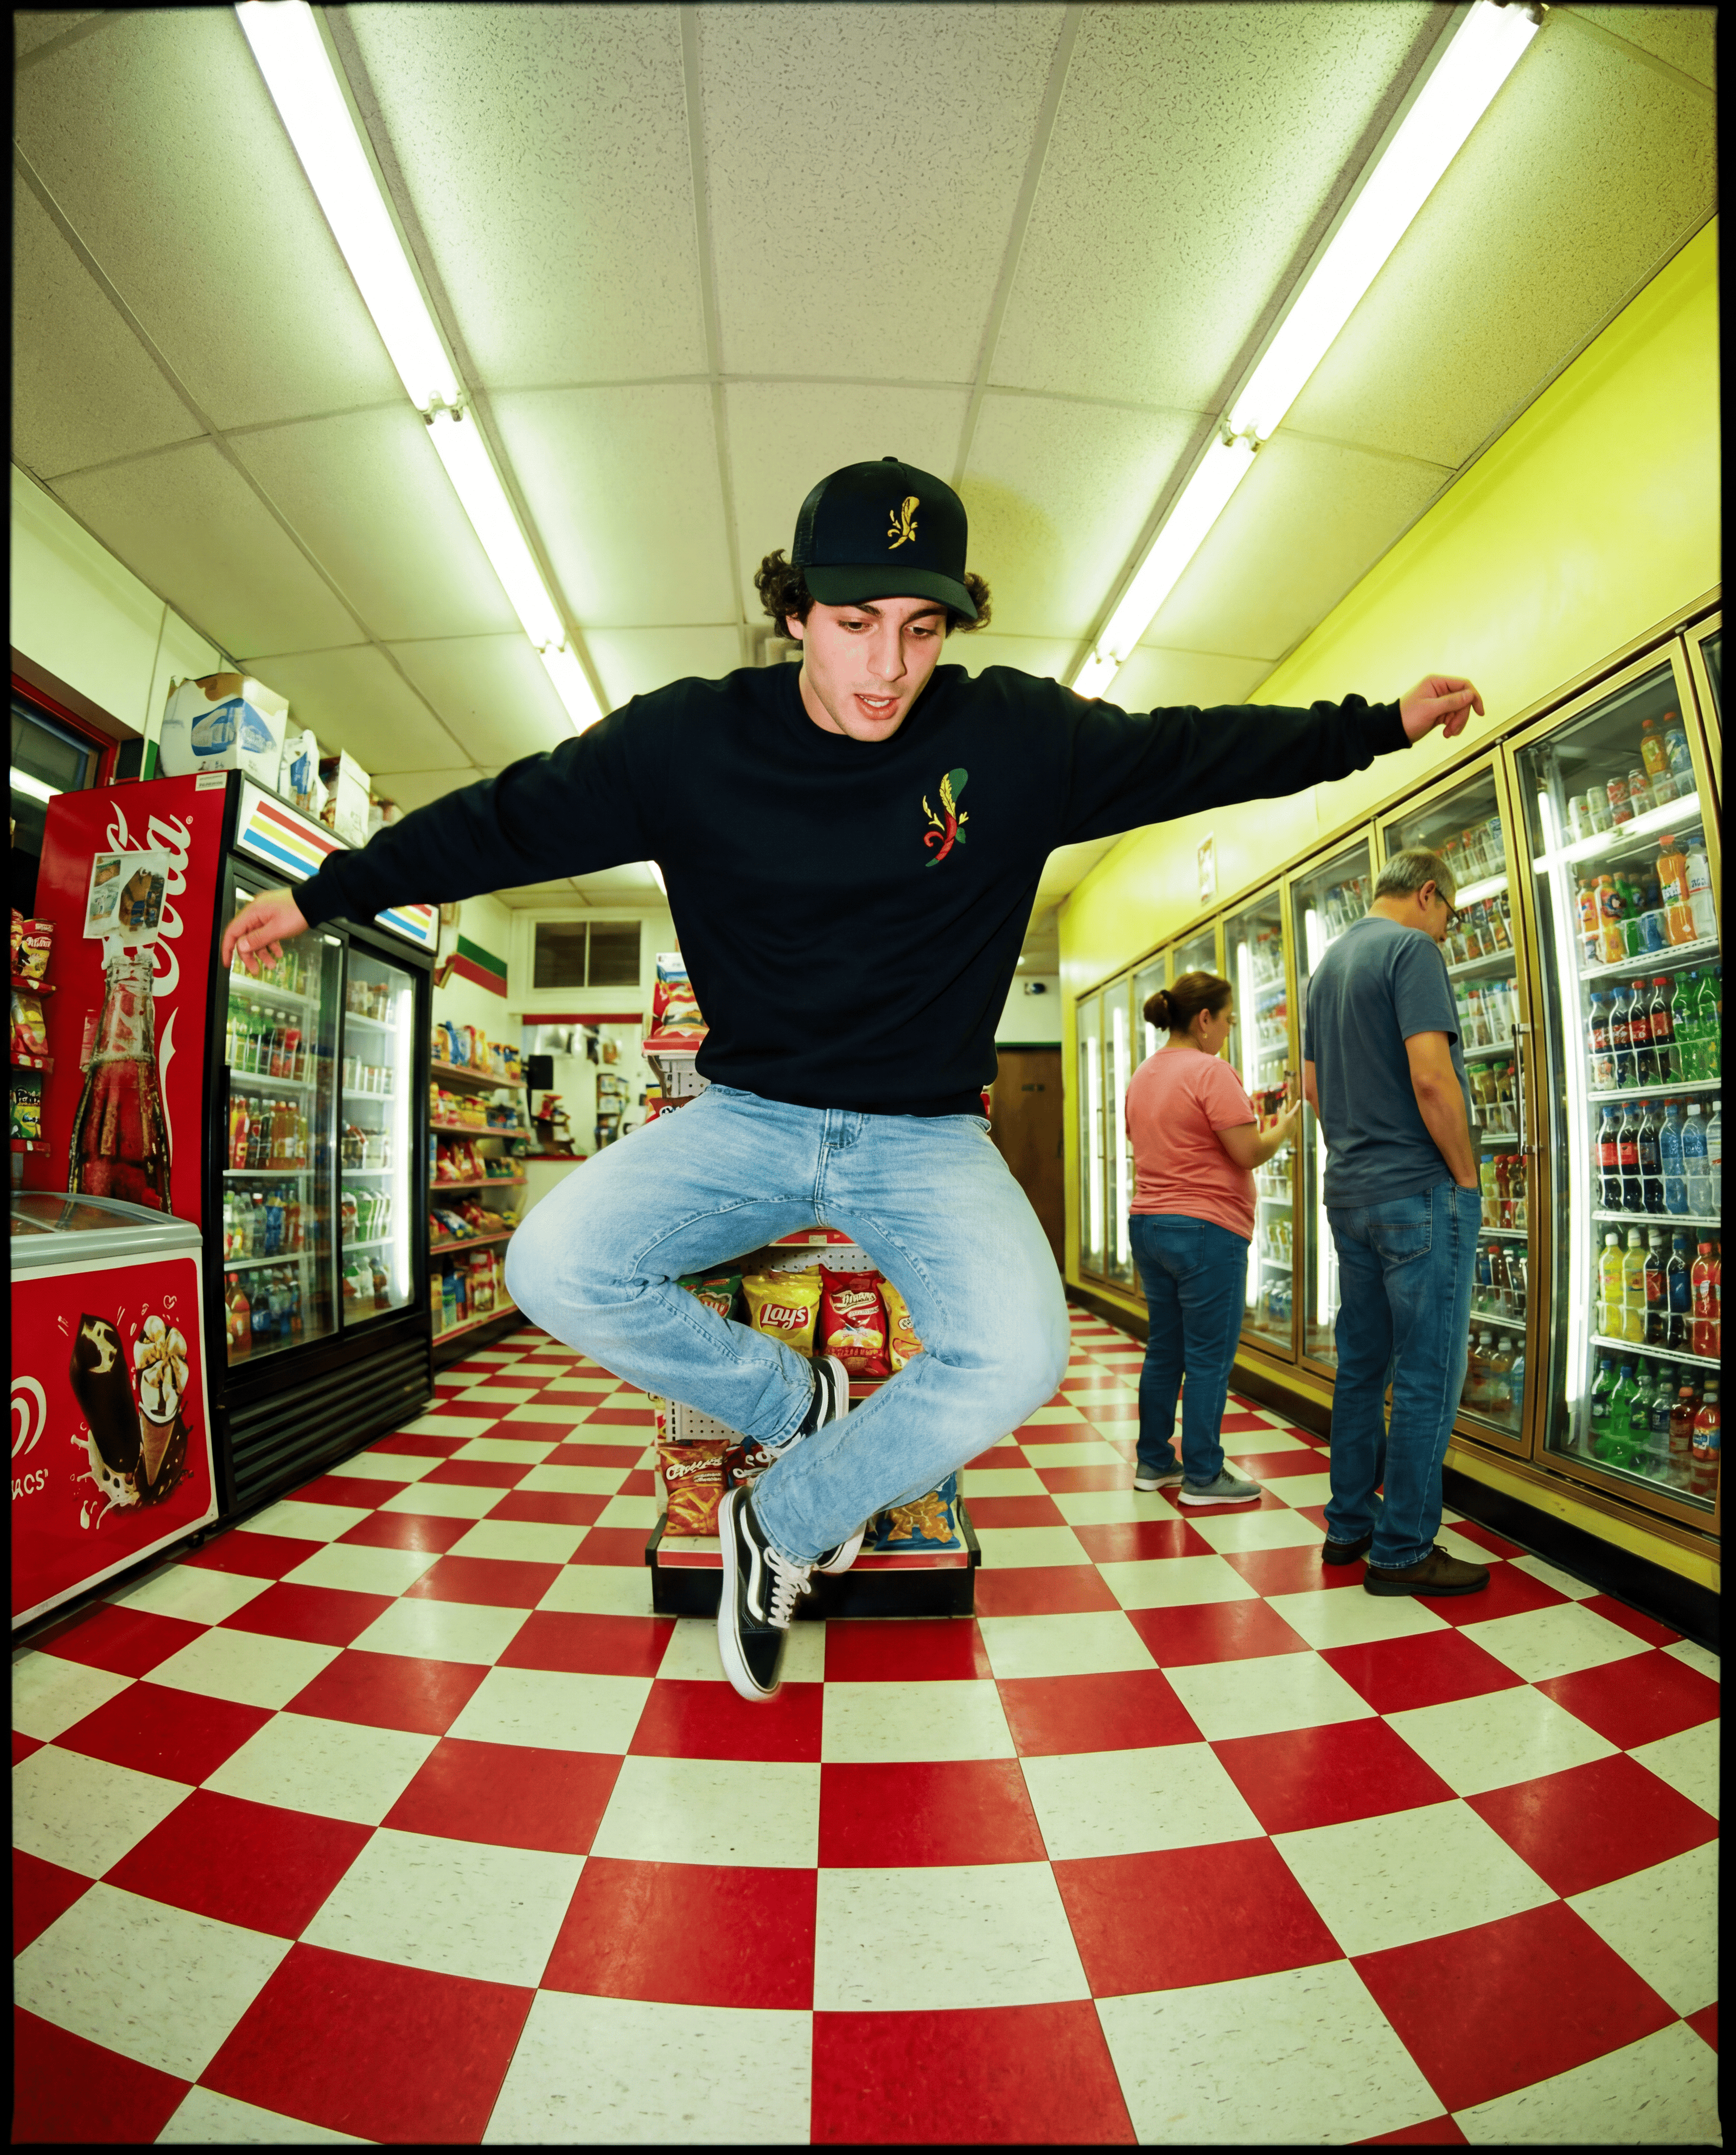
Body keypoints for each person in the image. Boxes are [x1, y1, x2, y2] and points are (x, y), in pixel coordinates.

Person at [222, 453, 1485, 1699]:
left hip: (924, 1132)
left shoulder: (1010, 737)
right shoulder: (688, 743)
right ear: (793, 615)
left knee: (1022, 1352)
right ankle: (792, 1391)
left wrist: (1375, 727)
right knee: (551, 1263)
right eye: (854, 623)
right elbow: (503, 817)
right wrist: (328, 894)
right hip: (752, 1115)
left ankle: (784, 1515)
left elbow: (1191, 750)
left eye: (921, 628)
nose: (888, 665)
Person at [1302, 846, 1491, 1596]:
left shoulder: (1329, 965)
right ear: (1426, 893)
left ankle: (1349, 1526)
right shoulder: (1411, 951)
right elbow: (1430, 1076)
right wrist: (1466, 1175)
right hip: (1417, 1191)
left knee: (1361, 1369)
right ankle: (1405, 1548)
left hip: (1349, 1193)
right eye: (1451, 915)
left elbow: (1314, 1089)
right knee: (1426, 1374)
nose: (1447, 931)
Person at [1125, 972, 1305, 1504]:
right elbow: (1246, 1152)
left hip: (1149, 1224)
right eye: (1226, 1020)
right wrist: (1284, 1129)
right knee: (1207, 1359)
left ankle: (1154, 1461)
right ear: (1203, 1020)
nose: (1227, 1031)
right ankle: (1204, 1476)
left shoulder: (1143, 1074)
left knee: (1164, 1350)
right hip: (1206, 1230)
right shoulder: (1210, 1071)